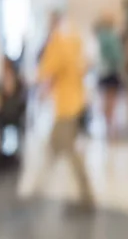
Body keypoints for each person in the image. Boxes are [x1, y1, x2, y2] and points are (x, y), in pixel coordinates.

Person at [31, 12, 95, 209]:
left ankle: (86, 197)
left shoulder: (58, 42)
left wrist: (37, 81)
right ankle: (36, 190)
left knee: (66, 150)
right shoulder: (74, 40)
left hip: (66, 107)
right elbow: (84, 66)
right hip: (77, 102)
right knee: (56, 148)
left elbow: (47, 69)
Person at [95, 14, 124, 139]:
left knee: (106, 101)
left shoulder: (101, 37)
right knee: (111, 102)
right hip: (111, 73)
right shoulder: (111, 37)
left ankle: (108, 127)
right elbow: (117, 56)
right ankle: (110, 129)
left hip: (103, 73)